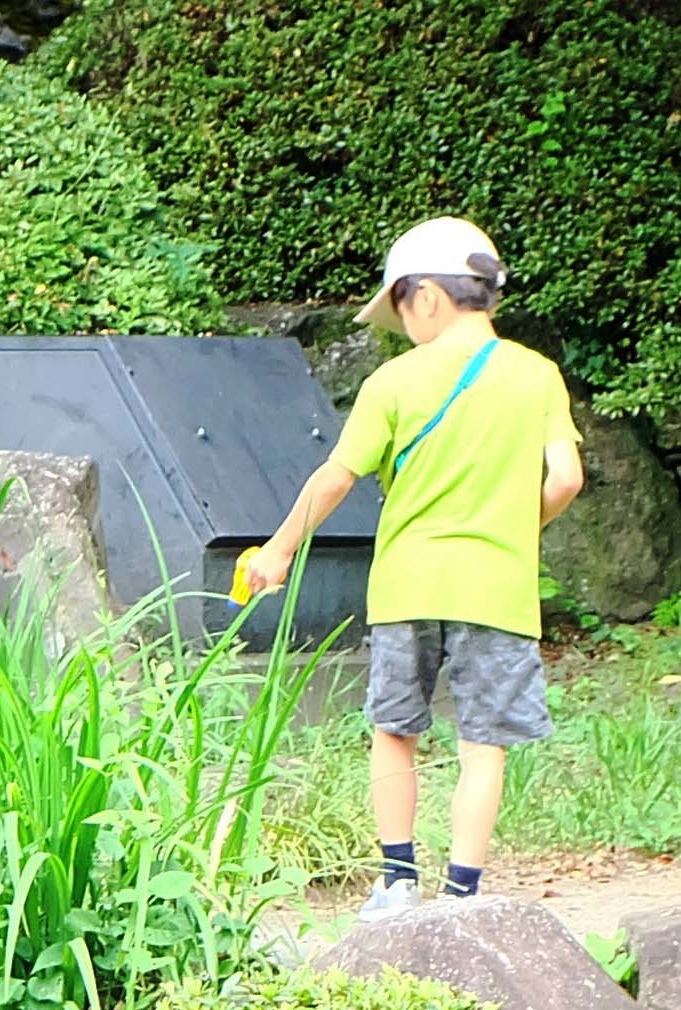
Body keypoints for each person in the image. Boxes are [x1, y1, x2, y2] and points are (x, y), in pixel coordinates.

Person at [244, 216, 584, 916]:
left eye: (399, 307)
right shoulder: (537, 375)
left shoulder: (395, 381)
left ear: (425, 298)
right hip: (497, 586)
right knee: (483, 742)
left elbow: (336, 477)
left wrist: (278, 552)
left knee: (394, 729)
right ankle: (463, 891)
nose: (401, 325)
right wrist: (515, 527)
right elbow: (566, 479)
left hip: (406, 584)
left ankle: (397, 880)